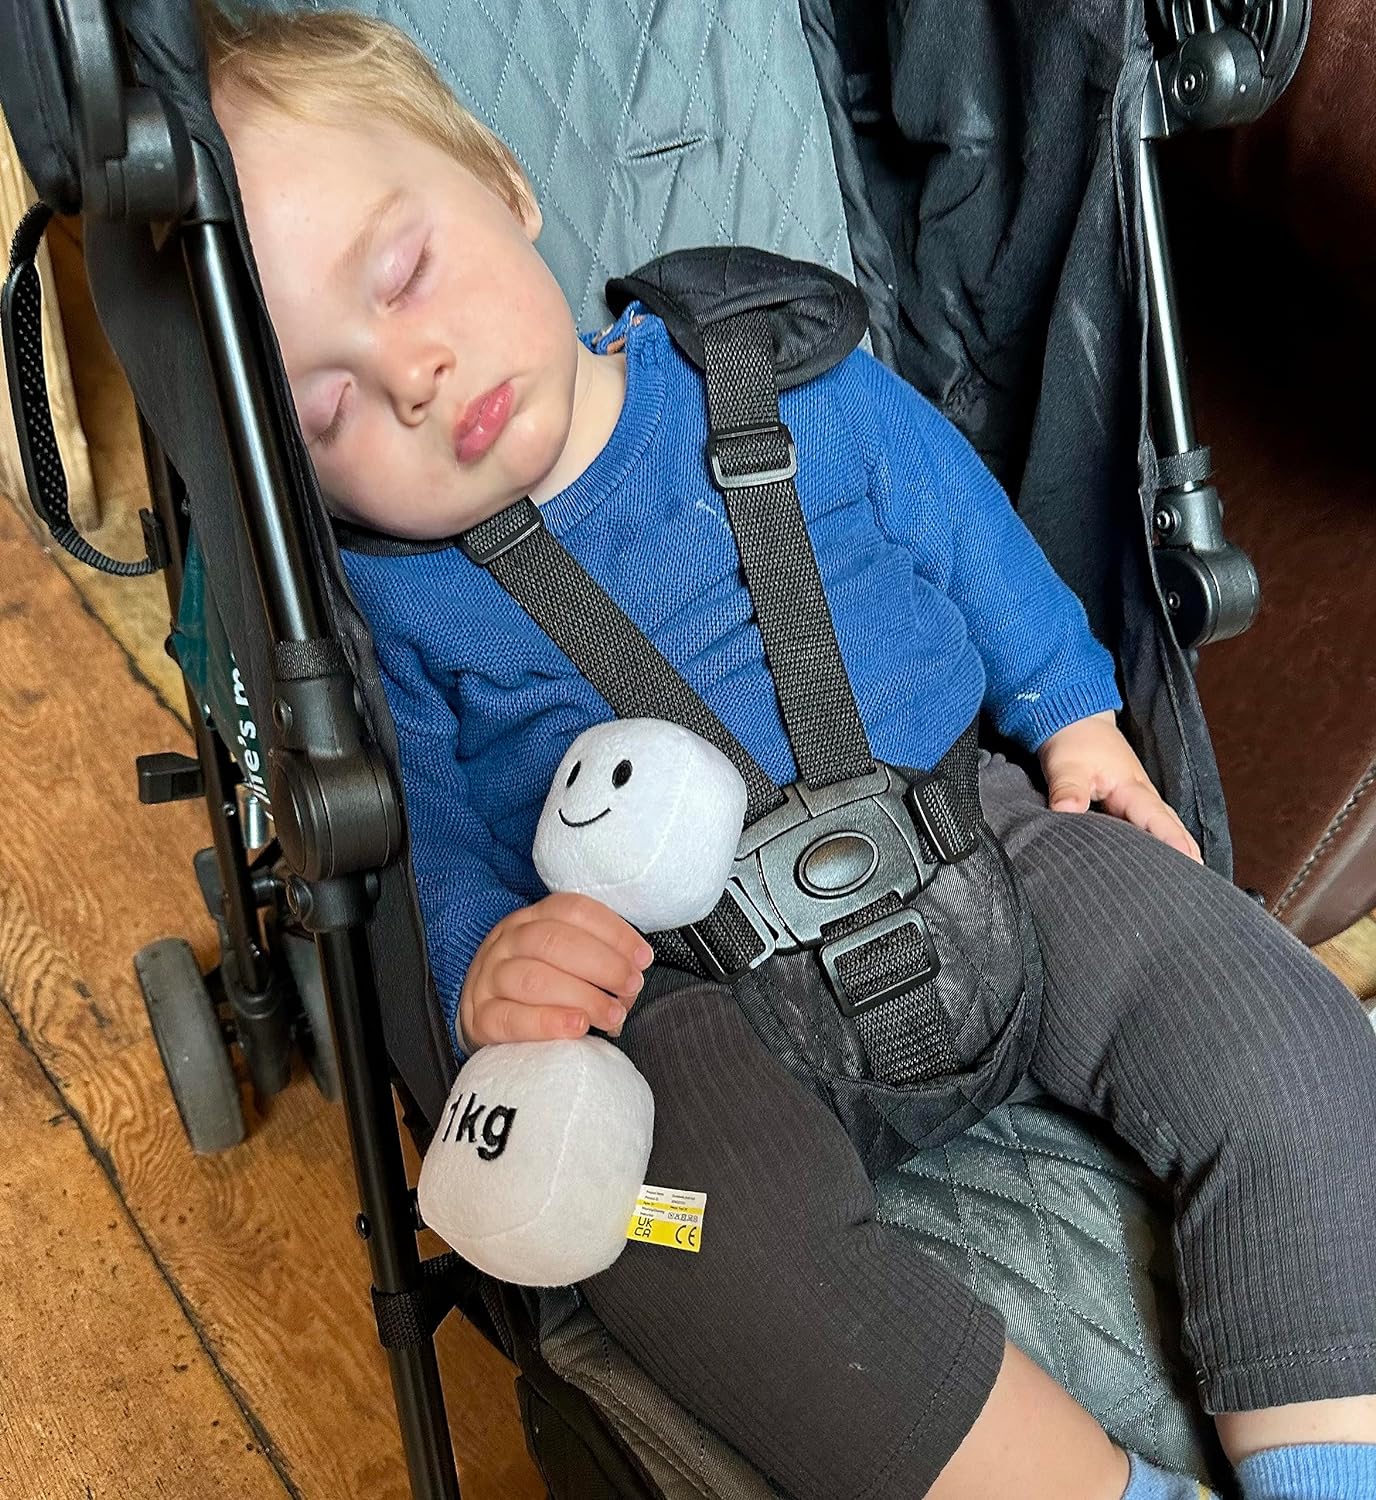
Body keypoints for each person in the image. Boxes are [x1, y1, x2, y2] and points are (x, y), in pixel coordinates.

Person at [205, 9, 1376, 1498]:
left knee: (1277, 1030)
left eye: (406, 272)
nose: (414, 374)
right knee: (663, 1238)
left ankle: (1332, 1467)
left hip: (984, 839)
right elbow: (427, 836)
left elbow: (972, 542)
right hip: (686, 1010)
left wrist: (1082, 724)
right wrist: (489, 971)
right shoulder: (391, 614)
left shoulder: (789, 375)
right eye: (326, 405)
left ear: (504, 182)